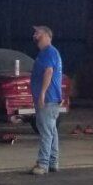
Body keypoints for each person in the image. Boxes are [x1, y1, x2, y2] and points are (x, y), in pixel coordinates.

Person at [29, 25, 65, 176]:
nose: (34, 35)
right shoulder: (48, 53)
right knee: (51, 131)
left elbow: (49, 72)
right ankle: (52, 162)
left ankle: (43, 164)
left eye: (37, 32)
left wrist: (42, 94)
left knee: (46, 132)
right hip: (52, 98)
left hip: (48, 99)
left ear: (46, 35)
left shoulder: (48, 52)